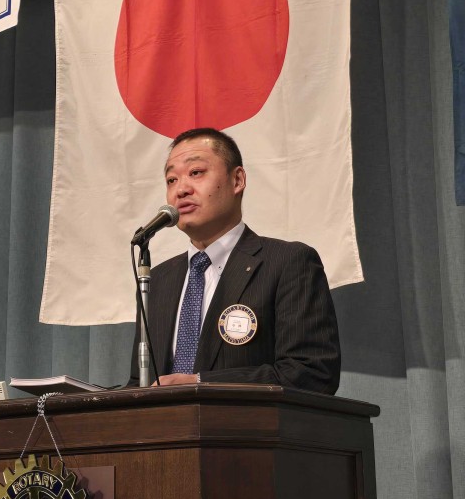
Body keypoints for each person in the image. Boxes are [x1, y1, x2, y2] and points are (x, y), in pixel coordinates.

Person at [128, 127, 340, 394]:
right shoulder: (158, 279)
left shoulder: (288, 263)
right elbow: (140, 385)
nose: (181, 189)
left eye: (196, 172)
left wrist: (200, 383)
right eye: (171, 180)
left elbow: (311, 373)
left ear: (237, 180)